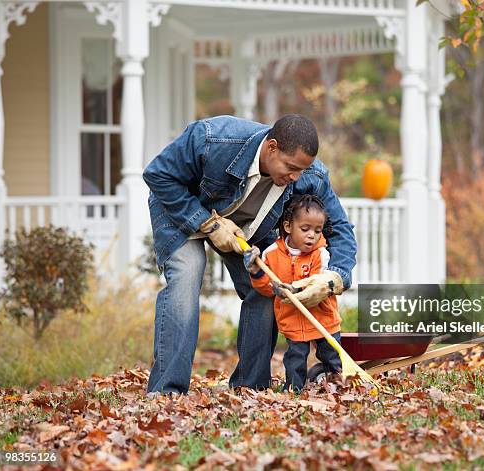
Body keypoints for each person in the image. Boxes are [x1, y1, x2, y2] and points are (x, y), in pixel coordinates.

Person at [142, 114, 356, 394]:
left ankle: (249, 387)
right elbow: (158, 174)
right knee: (188, 273)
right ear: (272, 147)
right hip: (182, 210)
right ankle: (166, 391)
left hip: (248, 229)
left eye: (301, 170)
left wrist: (334, 278)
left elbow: (339, 227)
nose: (296, 177)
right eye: (291, 167)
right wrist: (207, 222)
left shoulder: (311, 175)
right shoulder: (211, 138)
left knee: (268, 287)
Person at [243, 195, 342, 391]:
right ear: (288, 227)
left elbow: (315, 283)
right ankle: (294, 390)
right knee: (295, 358)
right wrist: (256, 272)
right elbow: (266, 288)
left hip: (323, 318)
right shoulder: (271, 254)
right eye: (305, 229)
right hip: (293, 320)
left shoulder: (320, 253)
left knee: (332, 355)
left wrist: (294, 288)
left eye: (317, 230)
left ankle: (339, 384)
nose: (312, 235)